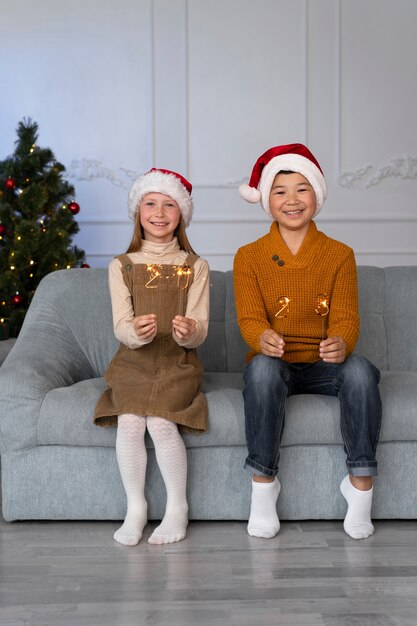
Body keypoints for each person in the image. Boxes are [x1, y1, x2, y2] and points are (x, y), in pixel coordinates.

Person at [234, 143, 382, 540]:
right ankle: (264, 488)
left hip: (322, 364)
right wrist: (260, 337)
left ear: (316, 196)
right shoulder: (249, 256)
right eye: (280, 191)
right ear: (267, 200)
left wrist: (340, 341)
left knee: (362, 371)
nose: (292, 200)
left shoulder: (339, 254)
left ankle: (360, 487)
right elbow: (249, 318)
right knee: (262, 371)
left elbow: (347, 318)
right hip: (276, 360)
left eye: (302, 188)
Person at [94, 168, 209, 546]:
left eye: (169, 204)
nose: (159, 212)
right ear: (138, 211)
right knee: (129, 421)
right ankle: (136, 508)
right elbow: (121, 325)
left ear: (182, 214)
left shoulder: (195, 266)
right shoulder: (122, 266)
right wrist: (135, 332)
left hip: (177, 363)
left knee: (160, 423)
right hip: (133, 362)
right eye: (151, 203)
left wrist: (189, 331)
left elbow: (201, 326)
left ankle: (177, 507)